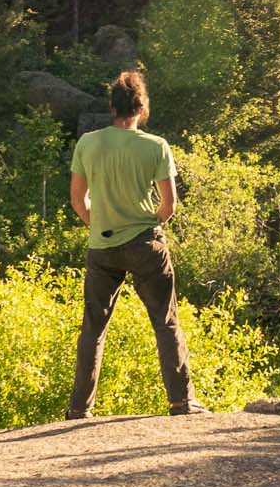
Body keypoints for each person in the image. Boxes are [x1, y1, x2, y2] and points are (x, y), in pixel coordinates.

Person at [65, 69, 206, 418]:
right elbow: (169, 206)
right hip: (146, 246)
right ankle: (181, 402)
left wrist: (98, 224)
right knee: (165, 322)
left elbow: (78, 200)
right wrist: (147, 226)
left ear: (112, 106)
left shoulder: (88, 143)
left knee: (93, 330)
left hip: (102, 247)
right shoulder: (156, 146)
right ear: (142, 109)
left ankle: (79, 410)